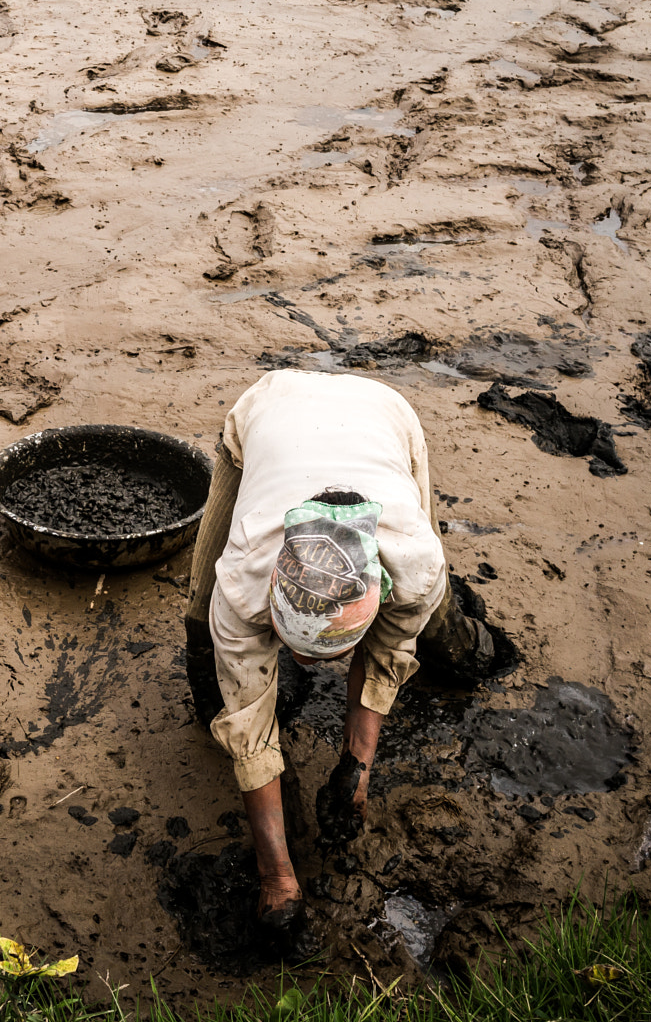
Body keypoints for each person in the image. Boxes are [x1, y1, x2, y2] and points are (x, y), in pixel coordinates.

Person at [184, 369, 497, 932]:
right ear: (271, 606)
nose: (306, 668)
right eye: (293, 649)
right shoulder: (243, 582)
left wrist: (358, 769)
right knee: (200, 608)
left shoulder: (416, 564)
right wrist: (277, 877)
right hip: (269, 409)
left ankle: (468, 645)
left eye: (323, 656)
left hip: (384, 418)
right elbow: (253, 728)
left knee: (435, 626)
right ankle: (202, 687)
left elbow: (385, 653)